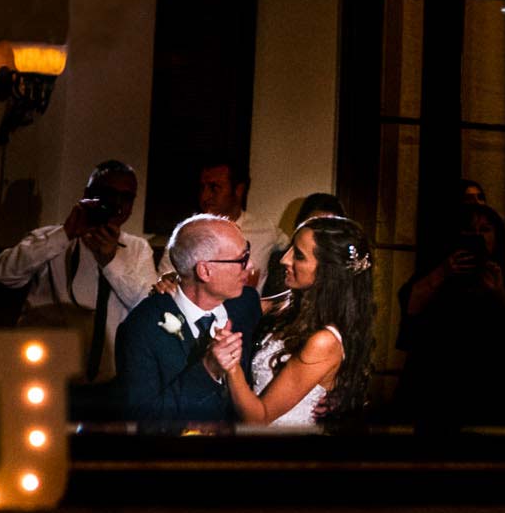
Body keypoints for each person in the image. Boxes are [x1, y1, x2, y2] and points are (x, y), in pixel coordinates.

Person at [0, 161, 158, 389]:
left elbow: (146, 307)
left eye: (127, 197)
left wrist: (110, 261)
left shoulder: (138, 249)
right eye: (109, 194)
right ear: (89, 195)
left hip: (110, 379)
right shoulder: (49, 238)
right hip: (45, 375)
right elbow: (5, 274)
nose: (118, 204)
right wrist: (65, 235)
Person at [222, 216, 376, 430]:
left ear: (327, 272)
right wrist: (181, 283)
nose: (285, 259)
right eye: (290, 248)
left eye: (299, 256)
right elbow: (228, 304)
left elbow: (259, 419)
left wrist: (230, 364)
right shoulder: (285, 306)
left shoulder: (324, 341)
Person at [115, 214, 262, 426]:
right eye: (241, 259)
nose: (251, 266)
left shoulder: (246, 303)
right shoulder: (140, 328)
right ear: (204, 271)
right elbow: (144, 423)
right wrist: (208, 370)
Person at [397, 200, 505, 434]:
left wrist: (499, 293)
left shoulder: (502, 275)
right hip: (435, 388)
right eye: (469, 230)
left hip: (488, 390)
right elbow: (410, 305)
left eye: (485, 230)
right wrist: (444, 271)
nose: (477, 236)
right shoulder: (436, 269)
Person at [189, 157, 280, 288]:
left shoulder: (266, 230)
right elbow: (164, 281)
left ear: (239, 190)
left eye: (214, 188)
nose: (205, 196)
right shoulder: (187, 233)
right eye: (202, 188)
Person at [262, 191, 345, 297]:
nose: (319, 235)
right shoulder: (280, 263)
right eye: (314, 225)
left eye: (329, 228)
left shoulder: (346, 274)